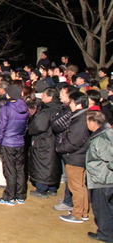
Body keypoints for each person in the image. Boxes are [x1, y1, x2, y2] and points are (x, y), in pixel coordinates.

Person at [56, 91, 91, 223]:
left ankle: (77, 214)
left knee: (76, 187)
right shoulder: (84, 117)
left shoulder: (80, 120)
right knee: (81, 186)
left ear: (78, 105)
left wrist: (60, 148)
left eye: (71, 103)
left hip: (74, 157)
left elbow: (74, 141)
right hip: (80, 156)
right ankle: (83, 211)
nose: (69, 105)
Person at [0, 84, 29, 206]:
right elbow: (25, 127)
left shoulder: (6, 108)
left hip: (8, 142)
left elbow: (1, 127)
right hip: (19, 142)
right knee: (20, 169)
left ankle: (9, 196)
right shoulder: (25, 107)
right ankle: (20, 195)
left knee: (10, 170)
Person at [28, 87, 63, 198]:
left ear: (50, 97)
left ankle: (41, 188)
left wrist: (30, 129)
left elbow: (37, 126)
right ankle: (52, 187)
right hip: (56, 142)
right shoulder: (61, 109)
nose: (42, 96)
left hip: (43, 142)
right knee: (54, 163)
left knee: (42, 164)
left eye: (44, 94)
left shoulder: (46, 112)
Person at [85, 111, 113, 242]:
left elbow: (110, 159)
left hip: (102, 179)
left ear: (94, 123)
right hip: (106, 178)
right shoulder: (108, 132)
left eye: (88, 121)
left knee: (101, 209)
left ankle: (105, 234)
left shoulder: (101, 139)